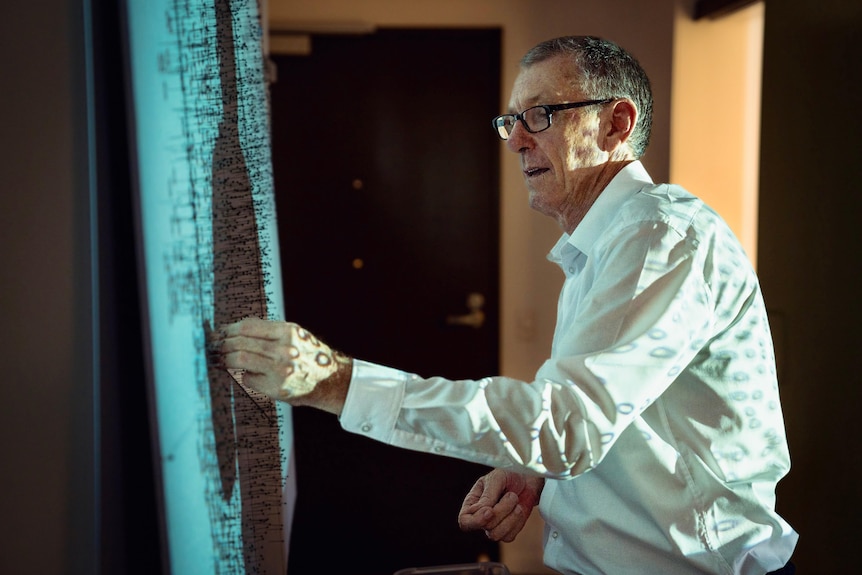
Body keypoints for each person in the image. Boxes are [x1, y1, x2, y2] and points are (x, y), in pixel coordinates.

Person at [218, 36, 798, 575]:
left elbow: (568, 426)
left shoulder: (660, 239)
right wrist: (534, 471)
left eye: (540, 116)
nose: (518, 139)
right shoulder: (605, 241)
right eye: (511, 121)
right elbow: (622, 409)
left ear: (616, 122)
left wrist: (336, 382)